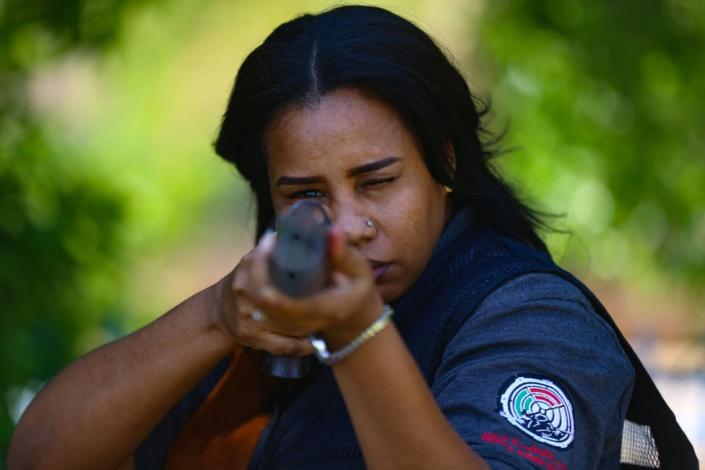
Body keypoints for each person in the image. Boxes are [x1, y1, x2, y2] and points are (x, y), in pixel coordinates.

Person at [7, 5, 697, 470]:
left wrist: (356, 334)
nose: (348, 225)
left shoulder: (531, 316)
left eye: (376, 182)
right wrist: (215, 316)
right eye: (305, 195)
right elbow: (41, 457)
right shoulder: (266, 310)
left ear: (446, 161)